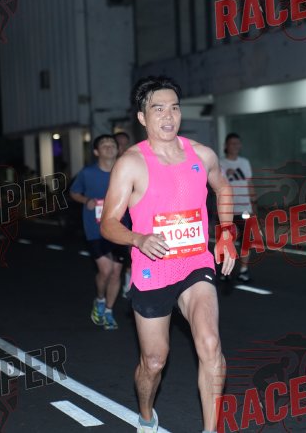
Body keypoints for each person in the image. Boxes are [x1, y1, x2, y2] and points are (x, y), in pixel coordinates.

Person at [101, 76, 237, 433]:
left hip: (195, 262)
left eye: (174, 108)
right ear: (142, 117)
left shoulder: (202, 155)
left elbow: (223, 187)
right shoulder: (131, 163)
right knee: (154, 361)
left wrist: (226, 233)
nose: (168, 116)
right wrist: (138, 238)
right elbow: (108, 223)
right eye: (158, 109)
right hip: (153, 270)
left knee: (210, 344)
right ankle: (146, 415)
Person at [70, 134, 125, 330]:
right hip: (96, 229)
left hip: (121, 228)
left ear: (118, 149)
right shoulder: (87, 173)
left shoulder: (124, 170)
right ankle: (100, 299)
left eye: (112, 144)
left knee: (116, 272)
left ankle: (109, 311)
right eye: (104, 145)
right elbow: (74, 192)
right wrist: (87, 200)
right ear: (96, 151)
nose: (109, 147)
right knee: (106, 270)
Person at [219, 133, 257, 283]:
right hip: (227, 210)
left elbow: (249, 183)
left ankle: (244, 270)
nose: (235, 146)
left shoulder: (245, 162)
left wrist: (254, 203)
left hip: (245, 208)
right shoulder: (220, 163)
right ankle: (226, 270)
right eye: (232, 143)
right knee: (227, 241)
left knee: (246, 241)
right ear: (226, 146)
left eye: (237, 143)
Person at [114, 130, 135, 298]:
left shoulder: (134, 161)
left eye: (125, 143)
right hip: (114, 215)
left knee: (132, 248)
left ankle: (129, 283)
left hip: (131, 213)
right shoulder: (111, 165)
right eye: (118, 144)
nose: (122, 147)